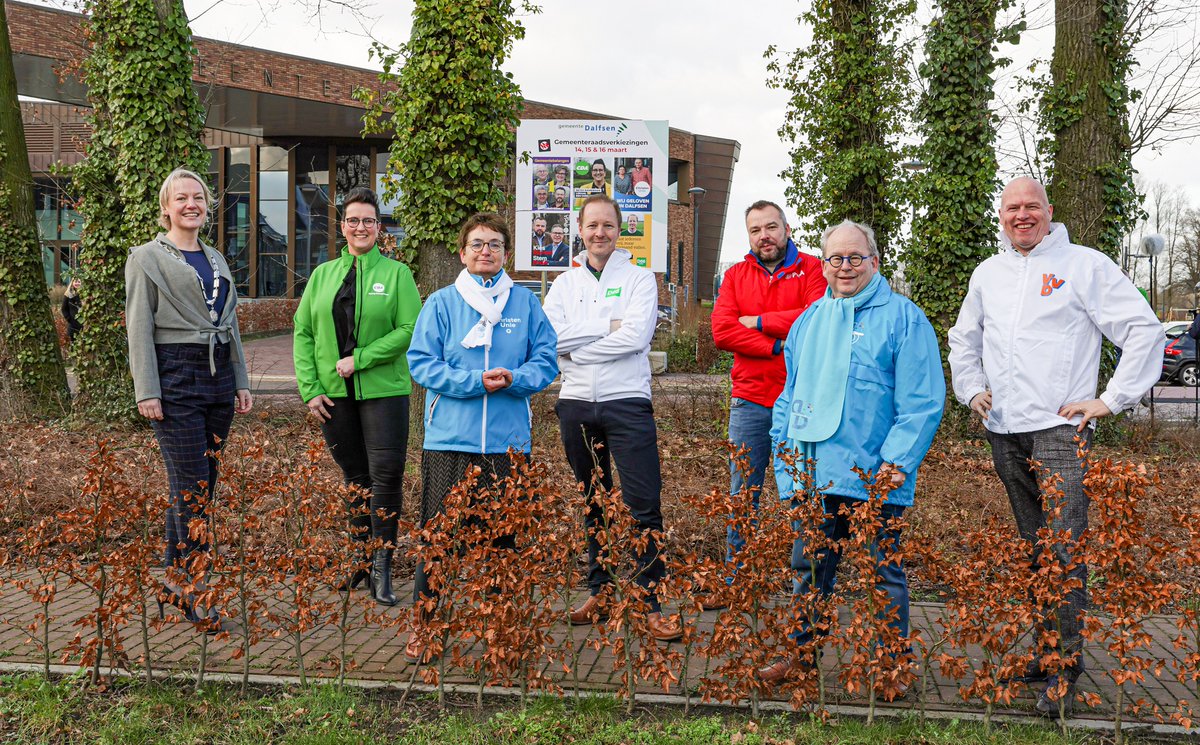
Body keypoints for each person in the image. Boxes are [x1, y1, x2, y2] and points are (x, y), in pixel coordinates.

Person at [947, 176, 1163, 716]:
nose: (1021, 215)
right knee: (1034, 548)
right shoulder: (988, 273)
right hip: (1004, 430)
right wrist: (972, 389)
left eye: (1030, 206)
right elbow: (963, 338)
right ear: (1001, 215)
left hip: (1061, 433)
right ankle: (1047, 654)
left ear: (1048, 210)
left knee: (1064, 552)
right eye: (1011, 208)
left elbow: (1144, 329)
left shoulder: (1085, 266)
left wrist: (1109, 400)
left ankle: (1067, 671)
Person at [760, 219, 944, 685]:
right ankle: (801, 661)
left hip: (877, 476)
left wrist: (898, 464)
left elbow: (921, 401)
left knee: (884, 576)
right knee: (809, 571)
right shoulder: (807, 323)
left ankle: (890, 668)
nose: (846, 267)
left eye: (855, 257)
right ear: (822, 265)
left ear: (875, 261)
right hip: (815, 473)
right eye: (836, 258)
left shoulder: (905, 318)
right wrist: (786, 464)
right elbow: (788, 398)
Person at [404, 212, 558, 661]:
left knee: (504, 542)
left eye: (494, 244)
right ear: (462, 251)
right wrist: (474, 382)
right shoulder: (441, 303)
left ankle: (501, 630)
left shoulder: (526, 304)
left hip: (508, 443)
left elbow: (547, 360)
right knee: (439, 540)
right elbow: (422, 363)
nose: (485, 250)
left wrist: (516, 377)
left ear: (506, 254)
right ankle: (427, 628)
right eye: (477, 243)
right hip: (450, 440)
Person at [543, 194, 683, 642]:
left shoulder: (641, 279)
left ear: (618, 230)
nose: (599, 233)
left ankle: (651, 600)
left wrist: (578, 348)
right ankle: (600, 592)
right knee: (594, 502)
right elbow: (550, 340)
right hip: (577, 405)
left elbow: (636, 338)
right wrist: (607, 327)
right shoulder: (563, 284)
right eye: (592, 225)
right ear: (579, 230)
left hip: (627, 403)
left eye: (608, 225)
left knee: (644, 504)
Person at [125, 167, 254, 631]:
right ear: (166, 208)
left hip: (218, 379)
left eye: (197, 197)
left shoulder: (216, 257)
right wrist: (148, 391)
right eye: (181, 198)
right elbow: (138, 326)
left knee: (199, 485)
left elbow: (232, 323)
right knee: (192, 490)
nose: (190, 205)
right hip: (175, 377)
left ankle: (173, 576)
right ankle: (196, 588)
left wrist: (240, 381)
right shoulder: (145, 258)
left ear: (207, 205)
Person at [293, 187, 421, 606]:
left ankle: (383, 566)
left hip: (384, 392)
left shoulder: (397, 274)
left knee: (385, 478)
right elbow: (304, 332)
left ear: (378, 228)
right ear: (343, 226)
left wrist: (360, 358)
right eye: (353, 220)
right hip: (334, 397)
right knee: (355, 478)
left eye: (368, 220)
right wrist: (311, 389)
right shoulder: (322, 275)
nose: (360, 227)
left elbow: (408, 330)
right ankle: (361, 560)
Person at [707, 200, 826, 607]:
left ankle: (806, 593)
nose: (765, 236)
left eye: (771, 227)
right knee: (743, 494)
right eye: (756, 229)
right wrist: (778, 345)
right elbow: (722, 331)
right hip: (750, 401)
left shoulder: (812, 268)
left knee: (805, 495)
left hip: (802, 403)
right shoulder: (737, 274)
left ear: (787, 229)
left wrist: (756, 321)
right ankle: (735, 582)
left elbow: (815, 318)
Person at [61, 276, 82, 345]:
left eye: (79, 282)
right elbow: (64, 309)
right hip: (73, 325)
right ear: (72, 282)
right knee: (73, 345)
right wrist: (69, 319)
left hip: (84, 325)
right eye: (75, 281)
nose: (77, 283)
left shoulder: (84, 294)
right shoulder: (67, 295)